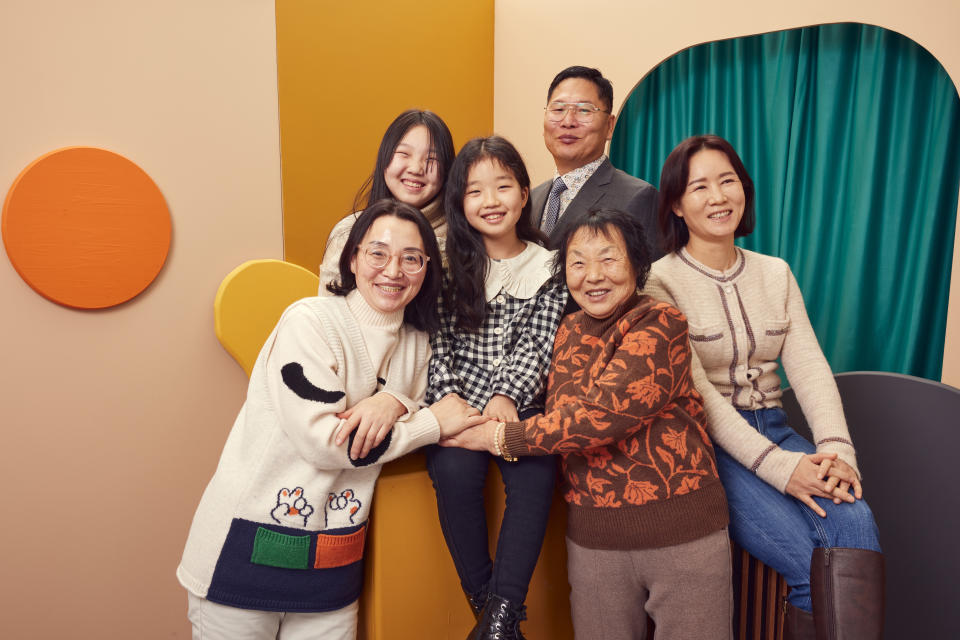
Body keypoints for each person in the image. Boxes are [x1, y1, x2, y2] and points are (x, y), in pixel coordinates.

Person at [177, 200, 483, 640]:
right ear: (354, 258)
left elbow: (429, 397)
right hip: (241, 557)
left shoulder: (419, 343)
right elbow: (329, 443)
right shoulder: (310, 321)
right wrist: (428, 423)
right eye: (378, 253)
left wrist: (394, 402)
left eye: (411, 258)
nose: (393, 270)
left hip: (333, 569)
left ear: (427, 269)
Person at [443, 208, 732, 640]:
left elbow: (601, 416)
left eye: (608, 259)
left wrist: (498, 436)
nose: (592, 275)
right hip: (593, 543)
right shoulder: (566, 331)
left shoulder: (662, 323)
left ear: (637, 263)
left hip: (682, 536)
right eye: (577, 263)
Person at [644, 134, 883, 640]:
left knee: (857, 528)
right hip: (710, 449)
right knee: (807, 561)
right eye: (700, 187)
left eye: (728, 181)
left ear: (744, 190)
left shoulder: (776, 273)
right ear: (676, 205)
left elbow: (811, 368)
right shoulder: (660, 283)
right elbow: (700, 395)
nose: (718, 197)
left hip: (779, 430)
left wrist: (837, 452)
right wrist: (782, 469)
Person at [421, 135, 567, 639]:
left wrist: (507, 396)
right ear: (460, 203)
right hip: (458, 408)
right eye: (475, 190)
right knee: (454, 473)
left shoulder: (550, 266)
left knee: (536, 475)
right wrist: (449, 402)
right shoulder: (445, 267)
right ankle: (495, 617)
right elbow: (438, 345)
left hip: (520, 407)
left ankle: (501, 613)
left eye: (503, 186)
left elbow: (539, 342)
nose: (491, 200)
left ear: (525, 194)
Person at [529, 66, 661, 260]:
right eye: (558, 109)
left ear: (609, 126)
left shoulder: (639, 197)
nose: (568, 121)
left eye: (584, 110)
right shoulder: (531, 199)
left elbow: (650, 283)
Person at [318, 109, 456, 293]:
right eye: (404, 154)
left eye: (432, 159)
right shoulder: (349, 232)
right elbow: (329, 312)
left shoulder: (464, 236)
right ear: (384, 158)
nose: (416, 168)